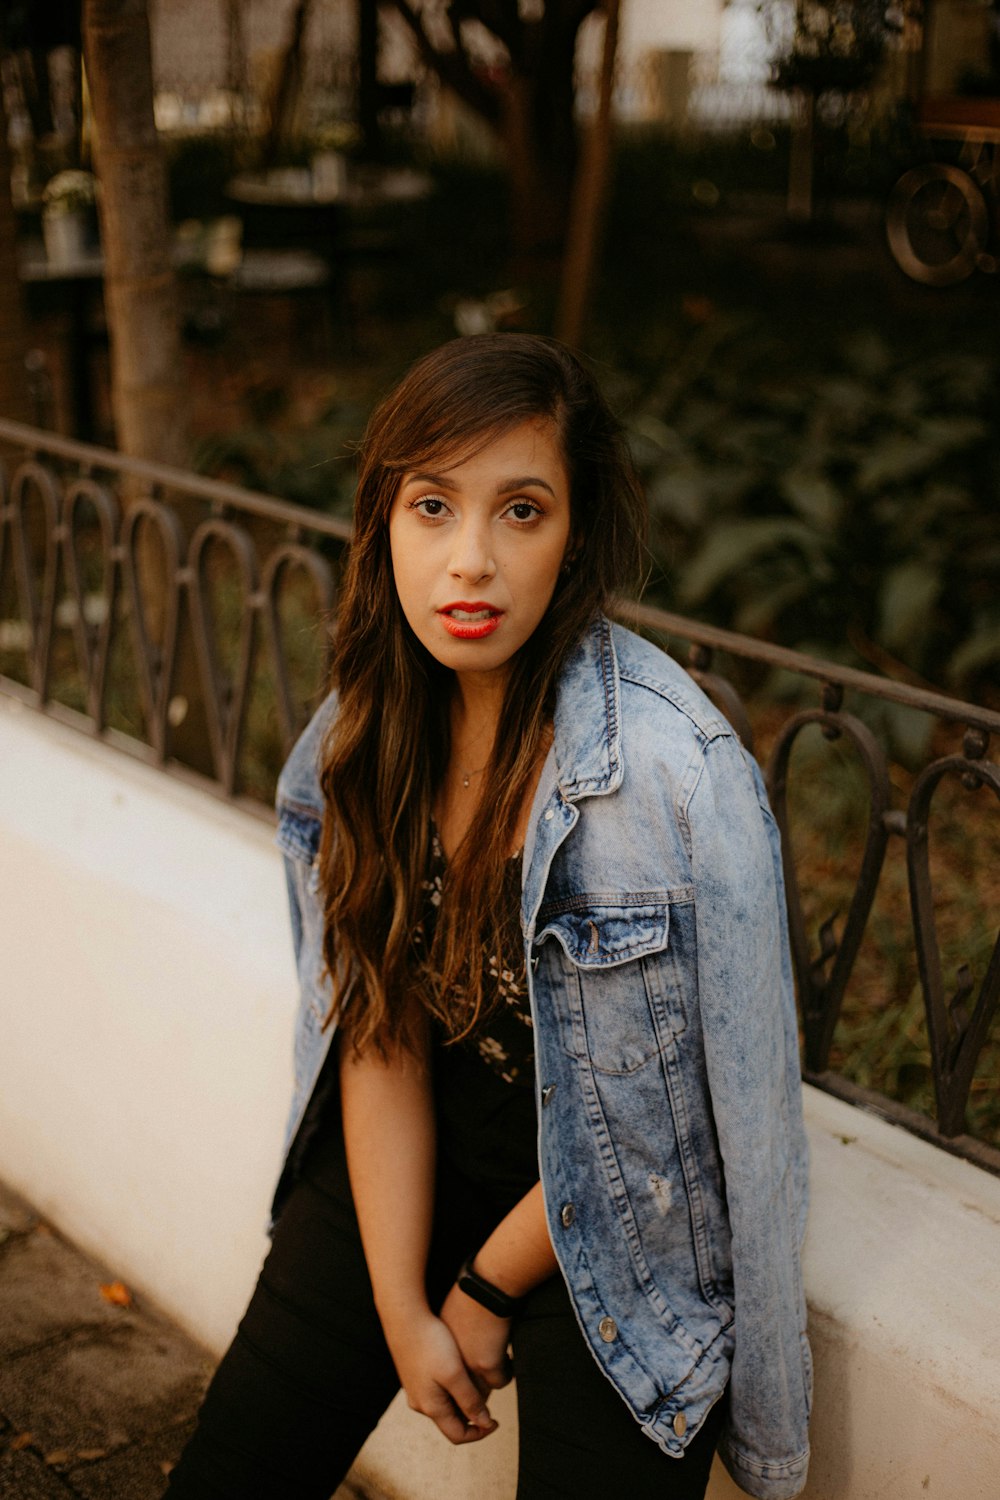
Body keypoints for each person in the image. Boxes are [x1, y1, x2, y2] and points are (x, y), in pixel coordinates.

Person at [165, 334, 811, 1500]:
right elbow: (378, 1033)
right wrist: (403, 1311)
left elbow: (693, 1133)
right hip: (433, 1147)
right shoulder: (360, 738)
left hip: (621, 1217)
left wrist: (480, 1290)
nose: (470, 561)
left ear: (574, 537)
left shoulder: (672, 777)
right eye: (432, 507)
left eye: (521, 510)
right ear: (384, 524)